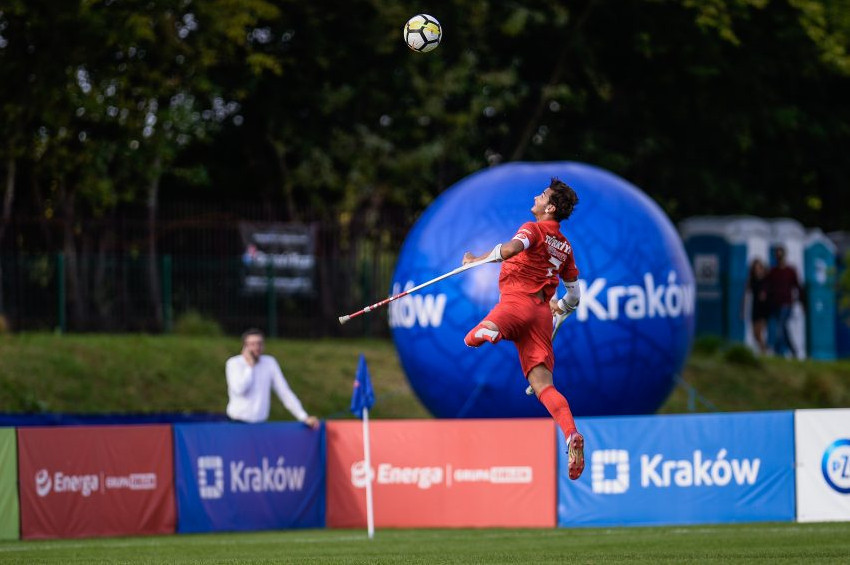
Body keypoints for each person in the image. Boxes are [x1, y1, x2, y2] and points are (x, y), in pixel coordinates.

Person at [461, 177, 584, 480]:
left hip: (516, 304)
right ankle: (571, 435)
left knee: (470, 339)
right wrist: (562, 307)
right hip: (541, 316)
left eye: (542, 195)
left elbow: (511, 250)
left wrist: (474, 260)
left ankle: (493, 330)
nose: (536, 197)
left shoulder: (533, 229)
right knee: (545, 388)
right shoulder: (565, 247)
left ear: (550, 207)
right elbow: (574, 296)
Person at [225, 328, 320, 427]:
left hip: (260, 424)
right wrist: (250, 367)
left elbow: (284, 391)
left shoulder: (269, 362)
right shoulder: (234, 363)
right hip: (237, 423)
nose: (257, 347)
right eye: (252, 344)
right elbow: (239, 390)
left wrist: (303, 417)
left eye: (259, 343)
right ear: (245, 346)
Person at [766, 246, 805, 359]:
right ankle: (793, 351)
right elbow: (767, 286)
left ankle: (778, 352)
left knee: (780, 326)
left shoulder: (790, 271)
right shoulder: (773, 271)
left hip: (787, 304)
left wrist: (802, 303)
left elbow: (798, 286)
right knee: (783, 328)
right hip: (775, 304)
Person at [743, 258, 770, 355]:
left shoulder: (766, 280)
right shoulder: (752, 280)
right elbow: (746, 294)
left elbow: (769, 292)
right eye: (755, 268)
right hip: (755, 308)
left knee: (759, 332)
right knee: (755, 334)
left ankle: (764, 351)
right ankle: (764, 349)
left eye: (759, 268)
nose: (757, 270)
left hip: (764, 309)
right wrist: (743, 310)